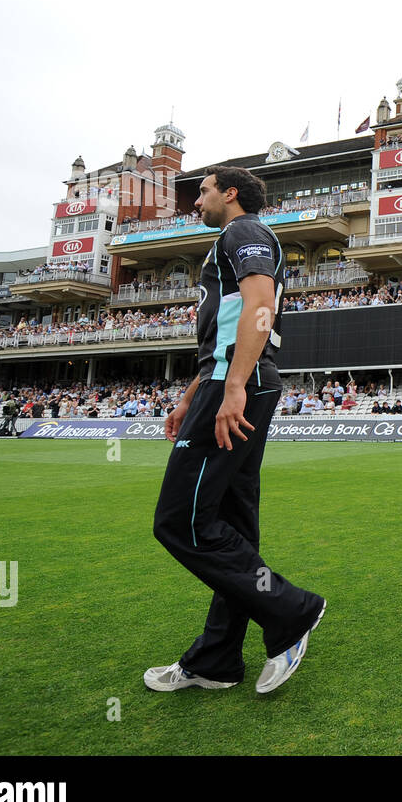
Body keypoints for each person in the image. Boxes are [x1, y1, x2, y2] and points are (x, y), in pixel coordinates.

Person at [145, 165, 326, 696]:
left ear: (230, 193)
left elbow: (260, 309)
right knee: (234, 525)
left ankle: (291, 611)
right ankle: (217, 660)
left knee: (180, 521)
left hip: (238, 383)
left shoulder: (243, 232)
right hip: (225, 381)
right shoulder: (229, 240)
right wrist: (191, 396)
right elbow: (224, 328)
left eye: (201, 192)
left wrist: (233, 388)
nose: (195, 202)